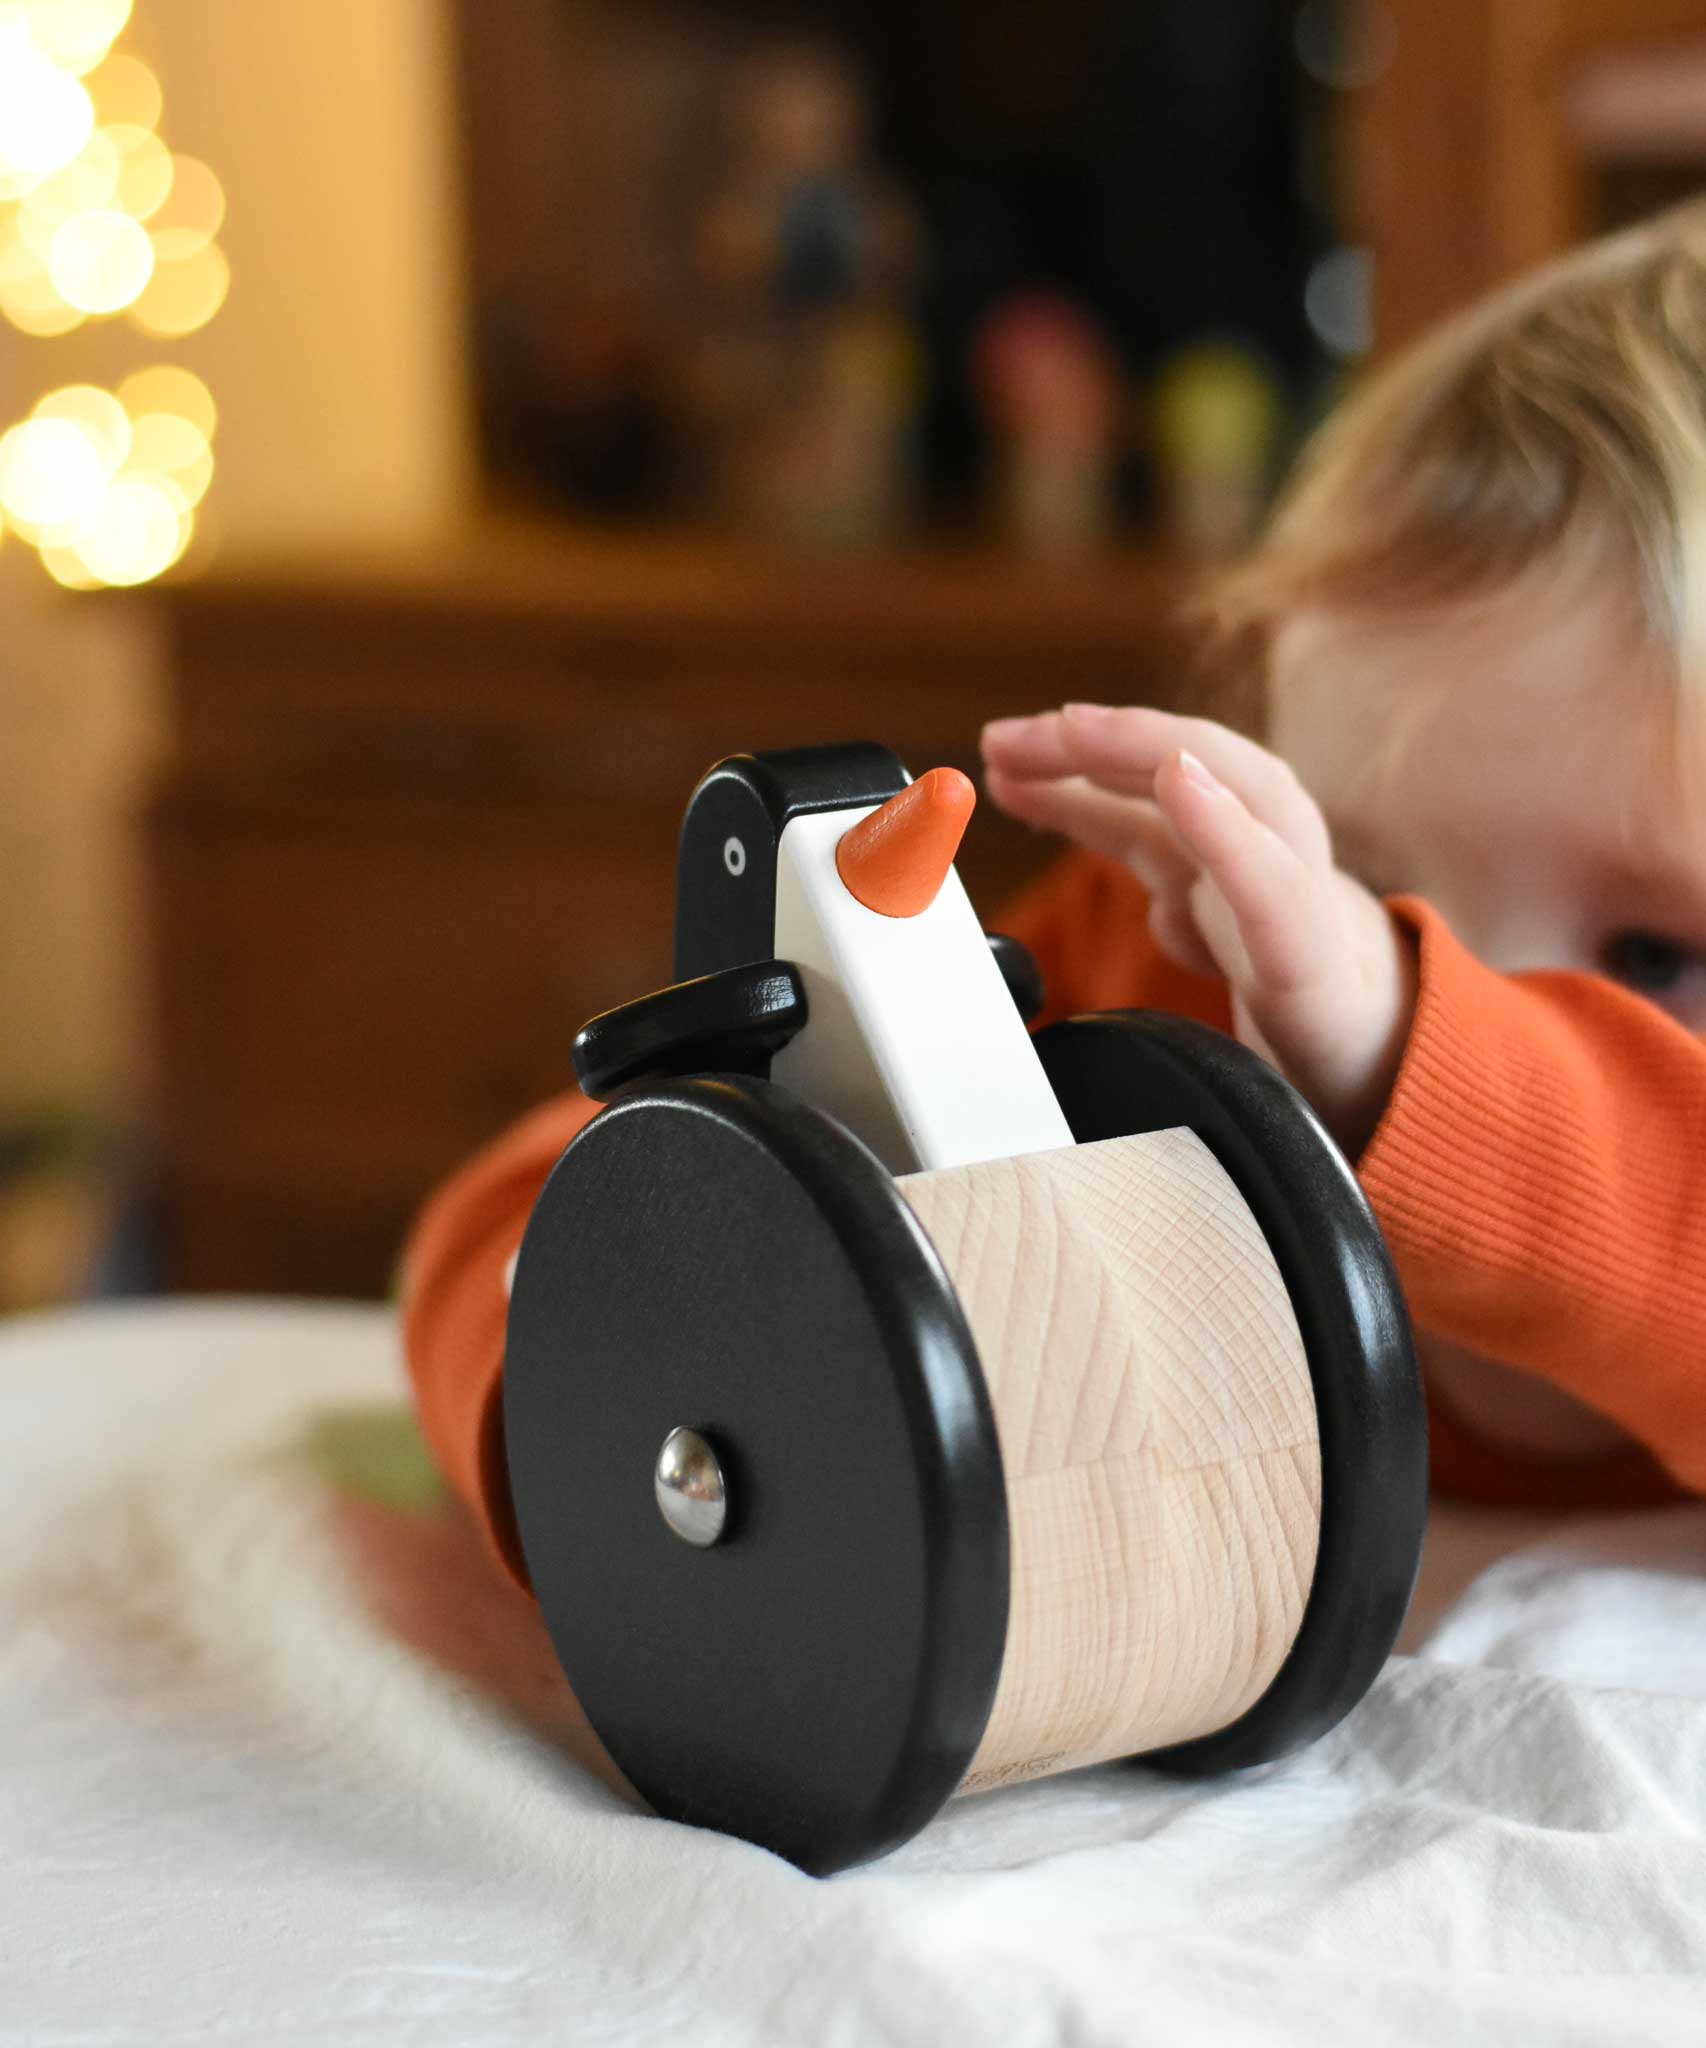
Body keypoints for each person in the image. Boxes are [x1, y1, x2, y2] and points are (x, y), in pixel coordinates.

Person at [403, 201, 1706, 1589]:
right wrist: (600, 1412)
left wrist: (1416, 1065)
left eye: (1647, 945)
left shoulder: (1365, 1017)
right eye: (1354, 878)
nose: (1366, 975)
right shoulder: (1183, 960)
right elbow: (515, 1205)